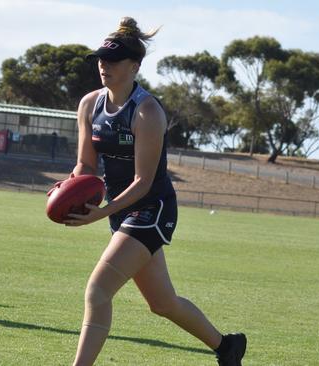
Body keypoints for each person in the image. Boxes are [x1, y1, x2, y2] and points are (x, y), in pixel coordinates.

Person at [62, 17, 247, 366]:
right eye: (101, 58)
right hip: (122, 210)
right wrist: (73, 184)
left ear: (134, 66)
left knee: (98, 291)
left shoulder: (147, 111)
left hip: (152, 208)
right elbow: (86, 165)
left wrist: (101, 212)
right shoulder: (90, 105)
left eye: (112, 60)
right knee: (162, 303)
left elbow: (143, 182)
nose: (104, 65)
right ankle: (227, 347)